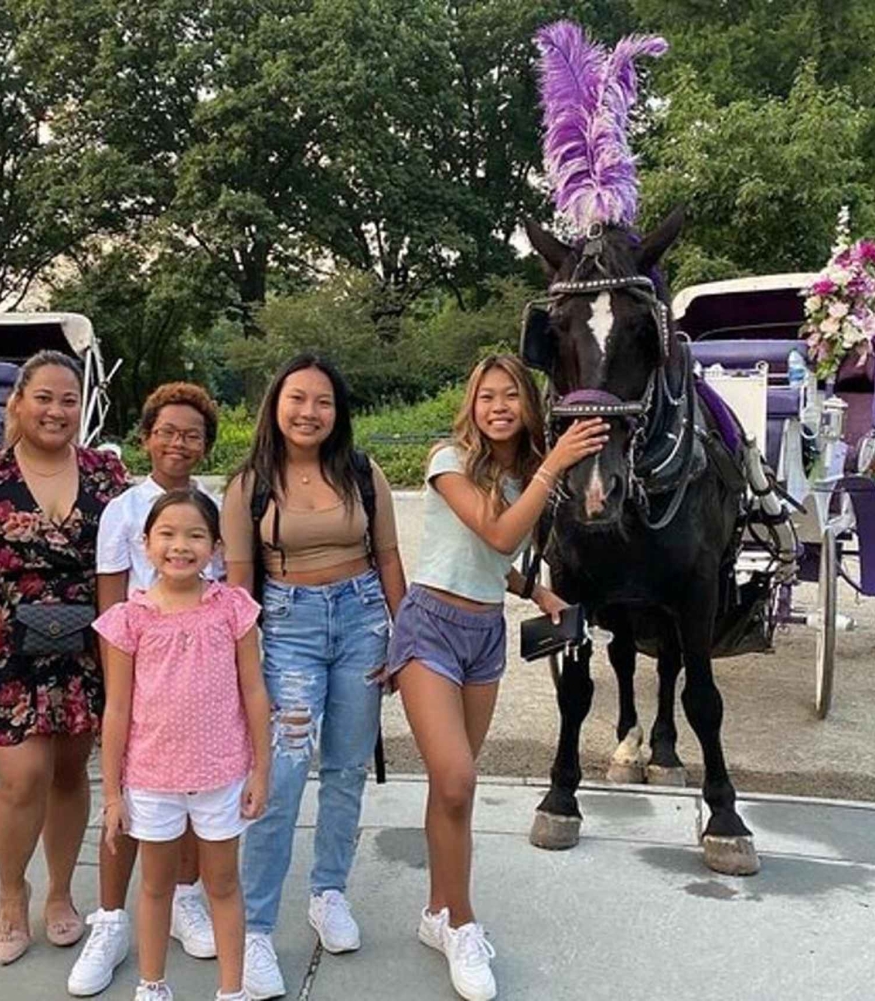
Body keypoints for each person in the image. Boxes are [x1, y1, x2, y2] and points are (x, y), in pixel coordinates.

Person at [385, 354, 606, 1001]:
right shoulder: (447, 460)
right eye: (486, 396)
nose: (499, 406)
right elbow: (499, 530)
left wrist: (537, 591)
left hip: (484, 635)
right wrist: (555, 464)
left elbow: (491, 557)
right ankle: (463, 924)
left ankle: (437, 911)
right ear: (471, 404)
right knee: (458, 778)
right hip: (428, 627)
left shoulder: (525, 473)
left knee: (450, 788)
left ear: (527, 405)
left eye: (511, 395)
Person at [0, 350, 129, 966]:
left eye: (69, 400)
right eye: (44, 397)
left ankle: (61, 892)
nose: (56, 411)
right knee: (22, 777)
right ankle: (12, 896)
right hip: (4, 644)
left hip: (87, 646)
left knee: (69, 772)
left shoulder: (106, 475)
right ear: (18, 402)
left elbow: (141, 552)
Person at [220, 354, 408, 1000]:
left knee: (348, 768)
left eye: (323, 401)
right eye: (297, 398)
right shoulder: (249, 484)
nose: (309, 412)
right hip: (289, 628)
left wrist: (403, 638)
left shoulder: (362, 471)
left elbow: (389, 557)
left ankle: (329, 891)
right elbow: (238, 588)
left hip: (362, 622)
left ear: (338, 411)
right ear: (275, 404)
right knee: (281, 777)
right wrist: (246, 668)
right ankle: (256, 929)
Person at [70, 383, 224, 995]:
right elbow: (111, 607)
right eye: (166, 432)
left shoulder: (214, 507)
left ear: (206, 444)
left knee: (190, 794)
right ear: (146, 437)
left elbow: (223, 599)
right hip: (139, 680)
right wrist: (120, 692)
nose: (177, 443)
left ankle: (185, 897)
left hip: (198, 684)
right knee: (127, 802)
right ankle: (110, 919)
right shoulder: (123, 510)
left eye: (191, 434)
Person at [95, 489, 270, 1001]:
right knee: (155, 886)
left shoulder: (232, 609)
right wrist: (112, 793)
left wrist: (261, 769)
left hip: (222, 773)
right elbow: (117, 708)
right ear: (146, 544)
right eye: (167, 534)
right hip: (152, 777)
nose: (180, 546)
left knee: (223, 884)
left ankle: (232, 990)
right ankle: (152, 986)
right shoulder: (130, 618)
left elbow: (254, 691)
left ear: (215, 547)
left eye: (195, 535)